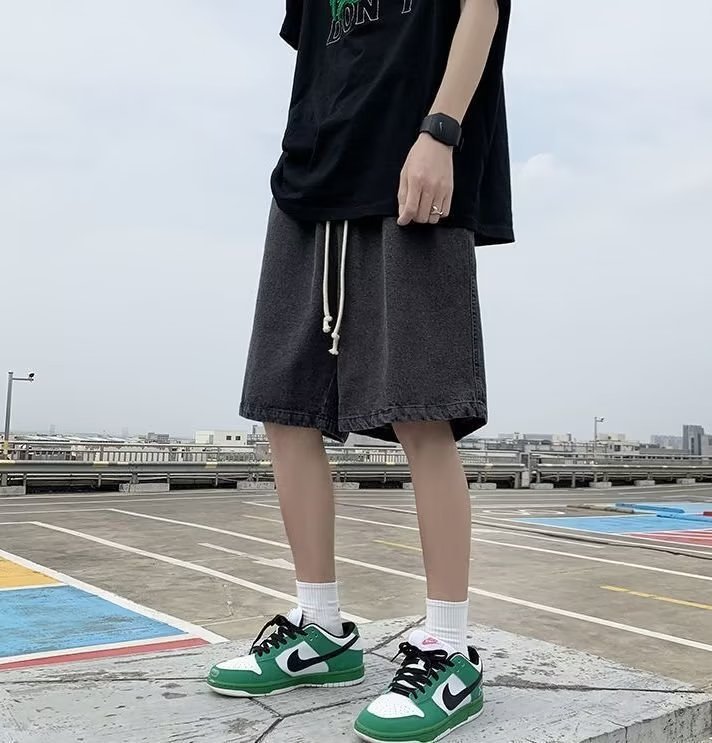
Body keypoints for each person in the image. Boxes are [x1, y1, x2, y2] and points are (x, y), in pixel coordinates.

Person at [207, 0, 513, 740]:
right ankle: (319, 626)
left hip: (410, 165)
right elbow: (322, 55)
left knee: (422, 407)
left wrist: (440, 130)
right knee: (284, 406)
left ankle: (447, 647)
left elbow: (482, 8)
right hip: (310, 179)